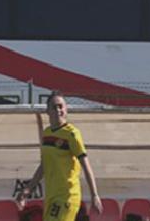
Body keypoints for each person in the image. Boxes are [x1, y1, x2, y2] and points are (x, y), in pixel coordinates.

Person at [17, 91, 103, 221]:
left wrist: (94, 195)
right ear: (47, 111)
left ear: (66, 109)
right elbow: (44, 165)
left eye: (60, 106)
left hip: (67, 196)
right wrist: (28, 189)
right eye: (54, 107)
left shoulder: (72, 134)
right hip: (51, 196)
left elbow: (85, 165)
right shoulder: (47, 134)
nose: (58, 110)